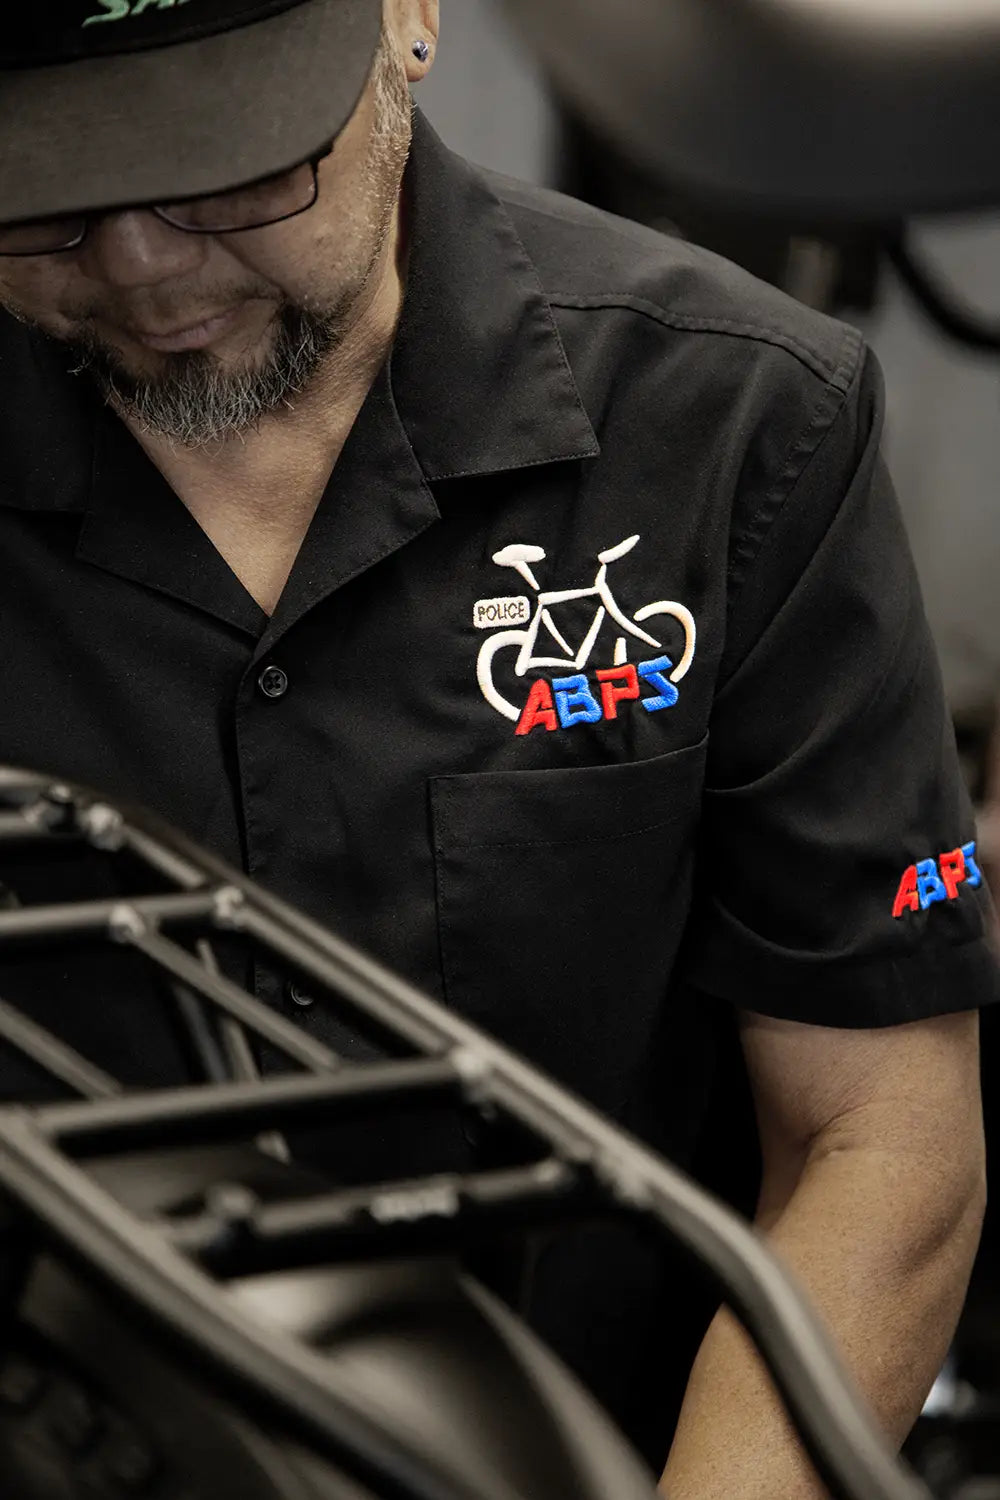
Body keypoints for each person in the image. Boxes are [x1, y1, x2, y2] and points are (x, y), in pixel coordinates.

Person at [0, 3, 994, 1497]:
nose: (138, 265)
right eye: (53, 196)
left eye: (231, 176)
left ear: (408, 19)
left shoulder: (737, 424)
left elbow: (880, 1139)